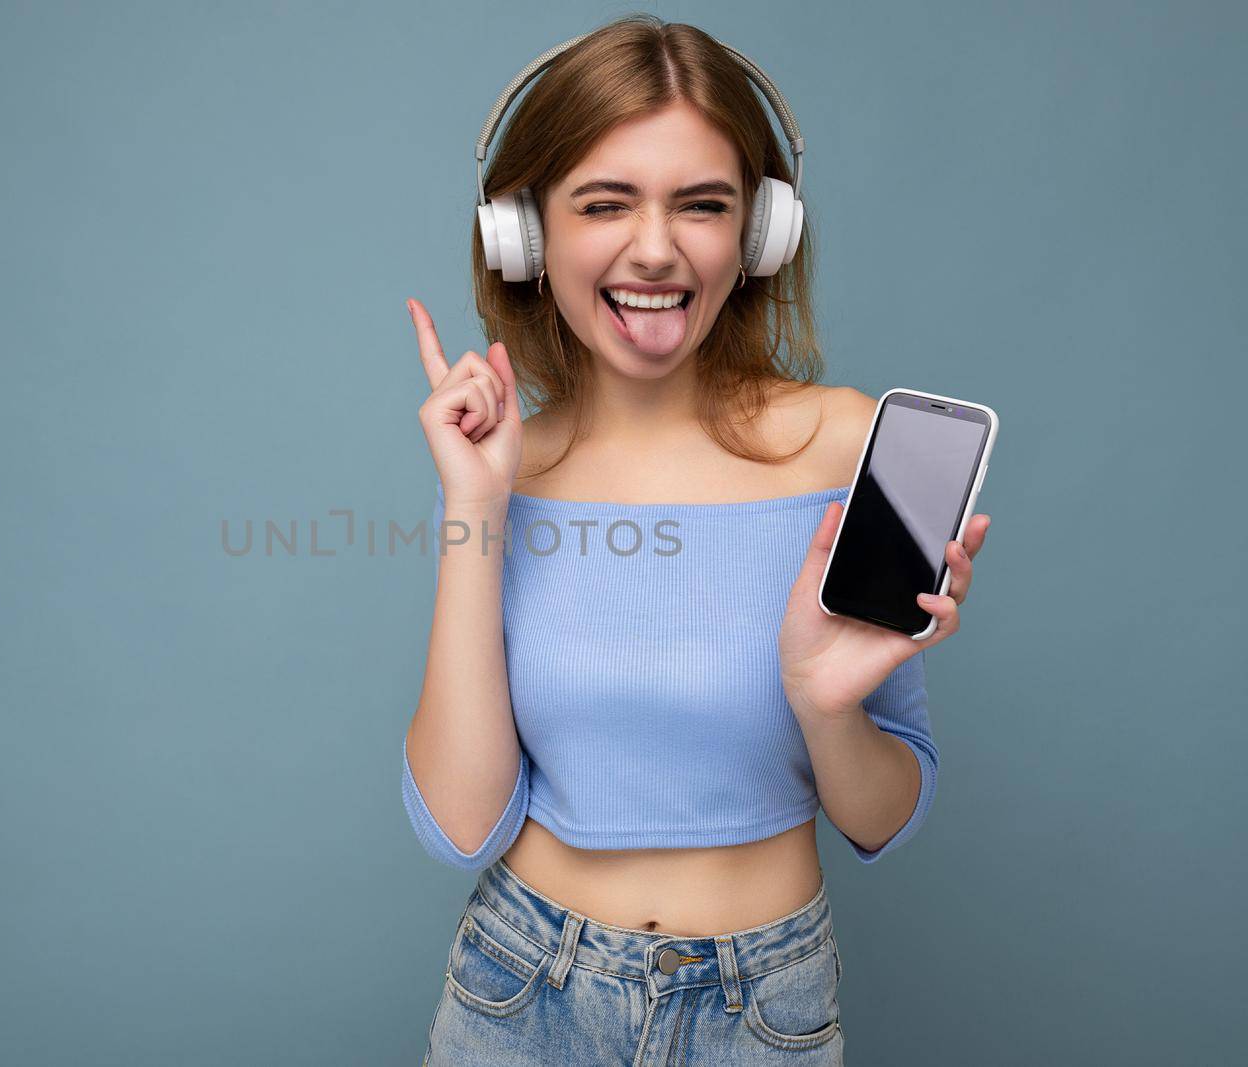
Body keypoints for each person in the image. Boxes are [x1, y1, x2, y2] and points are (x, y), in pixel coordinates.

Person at [400, 15, 991, 1065]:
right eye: (604, 203)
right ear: (525, 236)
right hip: (518, 992)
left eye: (702, 205)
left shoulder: (854, 443)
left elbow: (882, 816)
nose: (656, 247)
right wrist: (474, 512)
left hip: (763, 1007)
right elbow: (459, 824)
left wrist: (825, 705)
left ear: (759, 235)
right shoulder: (501, 470)